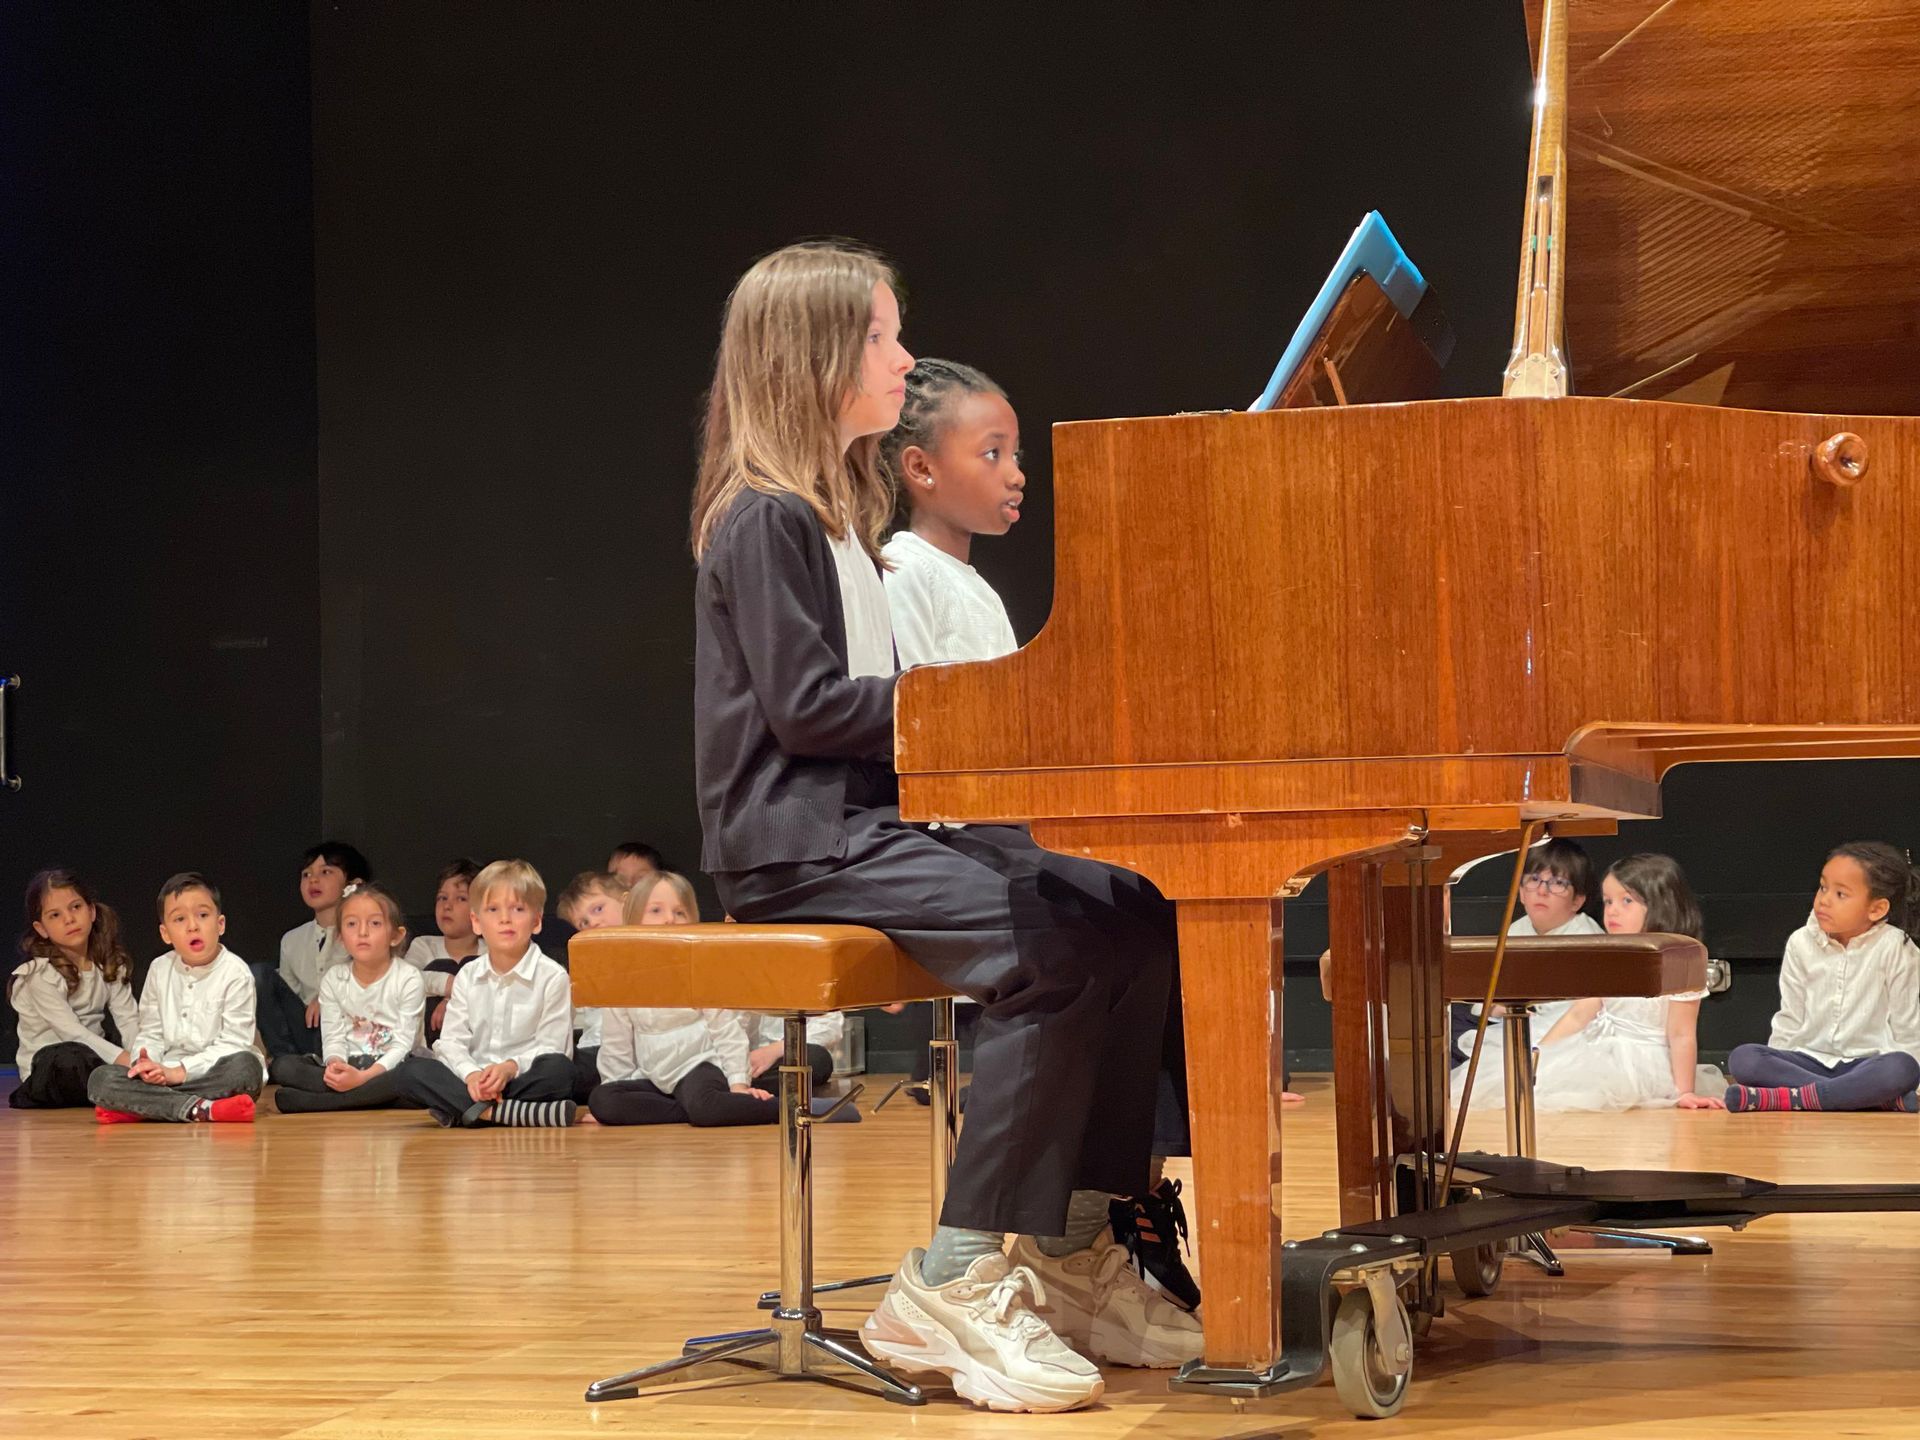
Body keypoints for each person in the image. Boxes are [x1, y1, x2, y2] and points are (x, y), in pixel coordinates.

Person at [689, 241, 1197, 1412]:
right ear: (814, 358)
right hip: (797, 842)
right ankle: (957, 1273)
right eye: (879, 335)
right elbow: (809, 713)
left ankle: (1073, 1249)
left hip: (866, 823)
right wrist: (986, 711)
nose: (902, 355)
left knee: (1132, 910)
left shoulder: (833, 514)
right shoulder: (762, 516)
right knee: (1050, 952)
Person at [878, 354, 1199, 1308]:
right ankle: (1033, 1238)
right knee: (1093, 916)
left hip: (1004, 820)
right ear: (920, 471)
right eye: (993, 452)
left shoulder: (975, 586)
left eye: (1017, 453)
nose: (1018, 473)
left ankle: (1093, 1216)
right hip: (951, 832)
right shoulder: (904, 572)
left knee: (1147, 904)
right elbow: (938, 740)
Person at [1471, 854, 1727, 1111]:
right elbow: (1579, 1015)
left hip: (1643, 1060)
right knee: (1533, 1084)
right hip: (1599, 1046)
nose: (1612, 910)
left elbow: (1681, 1034)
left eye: (1626, 901)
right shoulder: (1610, 954)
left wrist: (1684, 1092)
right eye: (1607, 901)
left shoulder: (1680, 961)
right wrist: (1540, 1054)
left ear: (1660, 904)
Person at [1725, 841, 1920, 1112]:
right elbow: (1790, 1016)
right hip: (1807, 1058)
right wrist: (1776, 1057)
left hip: (1868, 1062)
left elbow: (1906, 1024)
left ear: (1876, 909)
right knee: (1744, 1059)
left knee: (1902, 1068)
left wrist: (1912, 1082)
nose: (1824, 900)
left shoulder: (1896, 947)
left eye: (1841, 894)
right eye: (1823, 887)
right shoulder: (1801, 942)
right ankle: (1865, 1099)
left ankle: (1794, 1098)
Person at [392, 858, 577, 1127]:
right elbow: (452, 1042)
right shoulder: (468, 975)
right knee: (408, 1072)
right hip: (473, 1079)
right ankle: (500, 1113)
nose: (505, 919)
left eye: (518, 909)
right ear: (477, 923)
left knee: (560, 1071)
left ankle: (467, 1111)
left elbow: (553, 1046)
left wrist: (509, 1067)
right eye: (493, 909)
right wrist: (471, 1075)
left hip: (520, 1078)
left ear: (536, 921)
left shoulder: (553, 976)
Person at [588, 872, 776, 1127]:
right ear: (633, 919)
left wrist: (738, 1084)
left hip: (699, 1067)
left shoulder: (699, 970)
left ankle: (787, 1109)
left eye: (679, 912)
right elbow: (616, 1045)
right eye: (656, 910)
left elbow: (727, 1032)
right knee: (603, 1099)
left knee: (703, 1104)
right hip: (656, 1076)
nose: (669, 919)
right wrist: (616, 1091)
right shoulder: (623, 979)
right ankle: (705, 1108)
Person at [86, 873, 263, 1124]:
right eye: (180, 919)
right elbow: (151, 1033)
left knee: (246, 1069)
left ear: (220, 924)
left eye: (203, 915)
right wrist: (145, 1064)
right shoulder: (159, 969)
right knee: (100, 1080)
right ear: (165, 933)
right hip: (166, 1069)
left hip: (212, 1072)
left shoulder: (236, 973)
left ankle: (144, 1106)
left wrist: (179, 1073)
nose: (192, 926)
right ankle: (204, 1109)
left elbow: (234, 1043)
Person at [270, 883, 426, 1114]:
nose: (362, 932)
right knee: (284, 1067)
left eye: (374, 923)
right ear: (341, 936)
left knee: (420, 1077)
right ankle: (368, 1096)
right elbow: (333, 1036)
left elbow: (403, 1044)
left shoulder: (408, 977)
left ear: (395, 935)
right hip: (351, 1062)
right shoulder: (334, 979)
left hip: (394, 1067)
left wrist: (364, 1078)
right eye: (352, 924)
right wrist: (337, 1066)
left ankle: (327, 1101)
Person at [9, 868, 139, 1109]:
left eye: (75, 907)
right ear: (41, 929)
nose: (69, 919)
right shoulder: (39, 975)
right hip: (51, 1070)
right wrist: (124, 1060)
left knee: (119, 1054)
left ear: (91, 911)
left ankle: (126, 1086)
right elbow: (72, 1033)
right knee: (70, 1057)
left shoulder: (109, 964)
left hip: (93, 1060)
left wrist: (141, 1057)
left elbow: (129, 1019)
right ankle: (116, 1085)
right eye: (55, 915)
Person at [256, 841, 371, 1060]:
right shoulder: (291, 939)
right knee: (260, 974)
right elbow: (289, 997)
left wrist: (327, 997)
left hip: (348, 1030)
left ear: (353, 885)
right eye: (306, 874)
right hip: (308, 1029)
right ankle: (286, 1059)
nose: (313, 880)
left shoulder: (366, 933)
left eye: (325, 872)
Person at [558, 869, 633, 1102]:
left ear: (626, 901)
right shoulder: (589, 966)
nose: (593, 923)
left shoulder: (646, 952)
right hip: (594, 1050)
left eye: (598, 909)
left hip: (634, 1052)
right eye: (583, 922)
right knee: (552, 1068)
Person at [404, 858, 484, 1046]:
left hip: (475, 1042)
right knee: (441, 967)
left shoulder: (490, 951)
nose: (447, 906)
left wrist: (454, 998)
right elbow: (403, 980)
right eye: (442, 897)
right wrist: (447, 984)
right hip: (426, 1040)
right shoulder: (424, 945)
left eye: (461, 898)